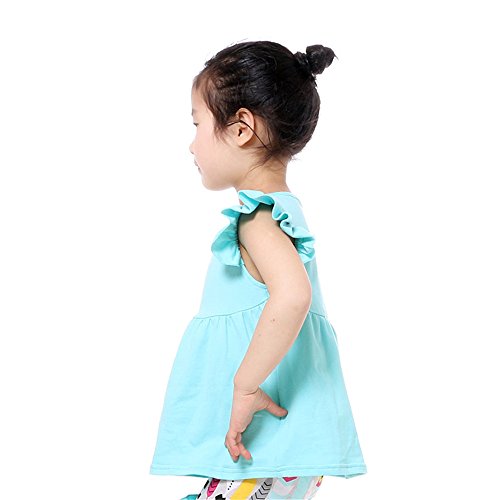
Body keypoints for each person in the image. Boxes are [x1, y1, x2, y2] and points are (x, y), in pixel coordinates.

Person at [149, 40, 367, 499]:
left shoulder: (258, 218)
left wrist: (245, 387)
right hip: (281, 453)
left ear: (241, 128)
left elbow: (294, 295)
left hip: (265, 449)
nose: (191, 143)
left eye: (197, 124)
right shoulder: (282, 214)